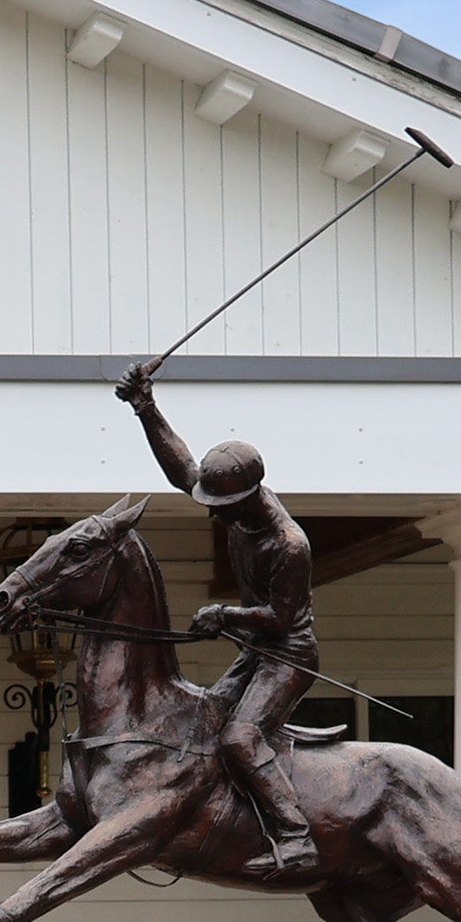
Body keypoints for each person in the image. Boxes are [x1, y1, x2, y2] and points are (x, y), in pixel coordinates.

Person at [118, 361, 320, 881]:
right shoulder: (234, 506)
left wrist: (225, 613)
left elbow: (279, 617)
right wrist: (145, 406)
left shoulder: (287, 544)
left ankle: (296, 838)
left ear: (251, 495)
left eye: (224, 505)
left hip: (288, 655)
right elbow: (181, 466)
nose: (214, 513)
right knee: (199, 720)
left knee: (239, 740)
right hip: (256, 648)